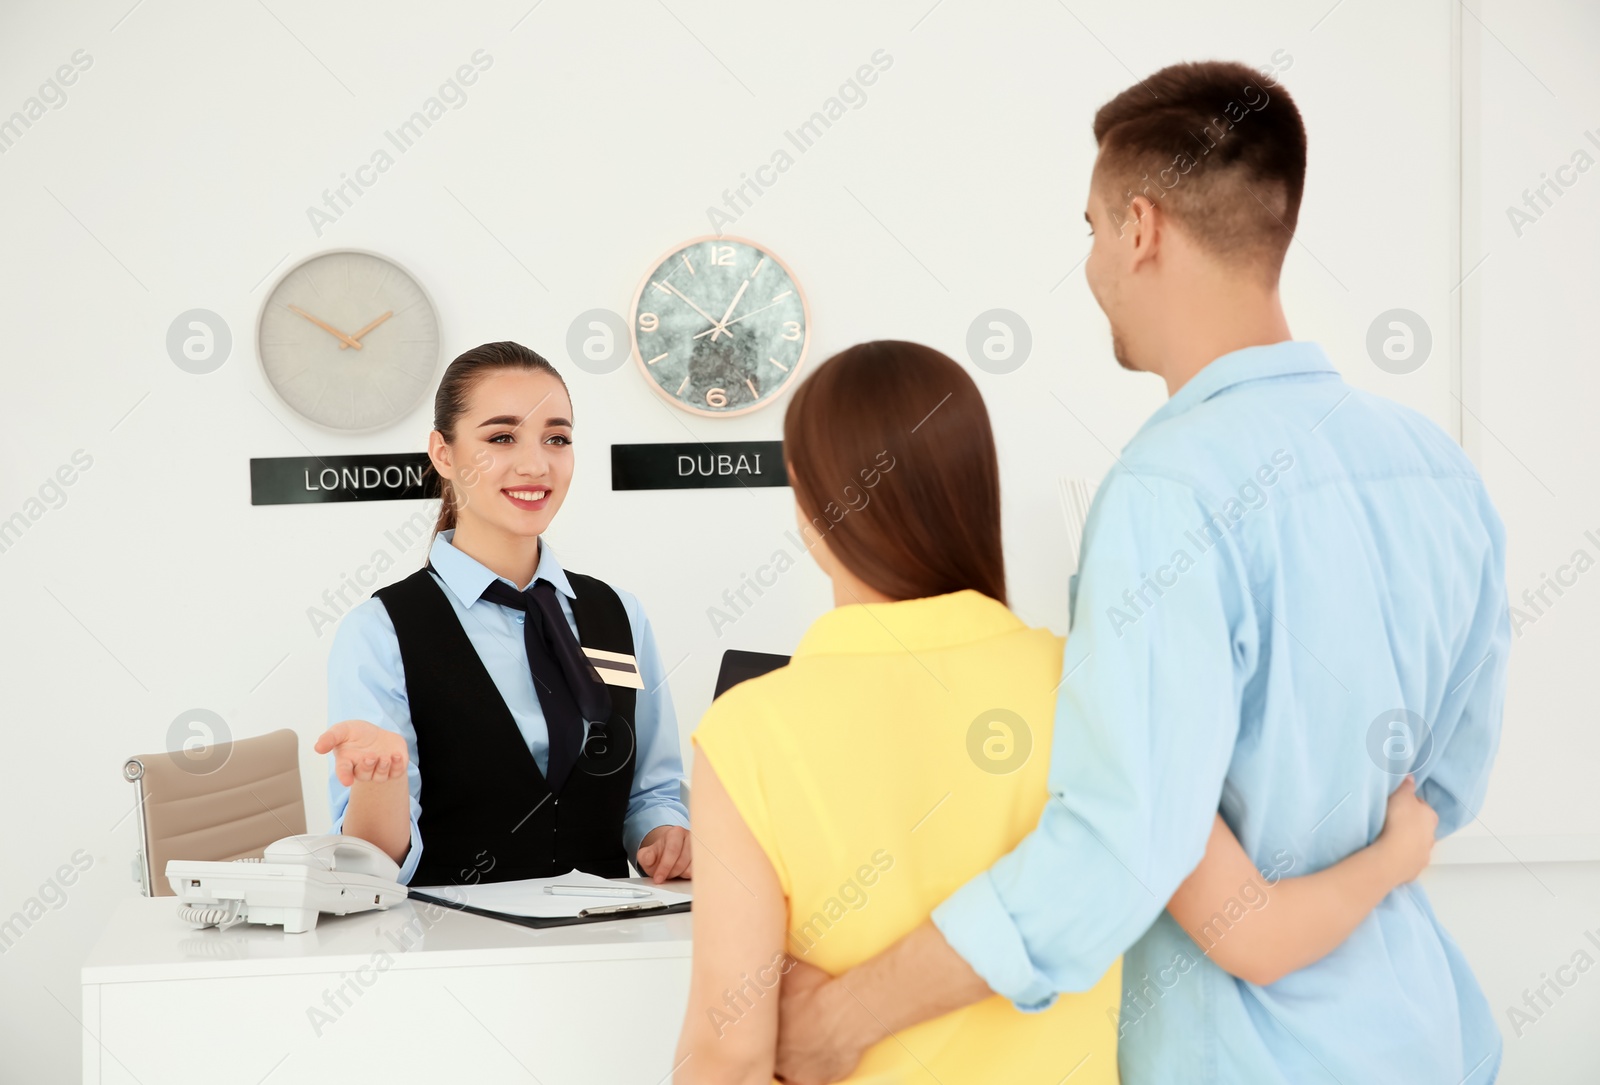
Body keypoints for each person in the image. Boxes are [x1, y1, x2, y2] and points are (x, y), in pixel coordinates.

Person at [774, 63, 1509, 1085]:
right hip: (1429, 1036)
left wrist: (841, 1017)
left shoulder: (1166, 488)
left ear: (1140, 227)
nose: (1088, 263)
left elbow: (1118, 846)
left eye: (1087, 227)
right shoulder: (1437, 467)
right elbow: (1437, 794)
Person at [672, 342, 1449, 1085]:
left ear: (808, 509)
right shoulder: (1089, 683)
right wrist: (1394, 854)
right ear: (976, 492)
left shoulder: (747, 732)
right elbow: (1253, 934)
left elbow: (728, 1057)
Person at [315, 341, 692, 887]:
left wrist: (663, 837)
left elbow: (651, 792)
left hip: (609, 940)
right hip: (452, 951)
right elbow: (371, 866)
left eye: (556, 439)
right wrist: (382, 780)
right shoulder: (381, 632)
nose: (536, 464)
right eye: (501, 438)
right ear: (443, 454)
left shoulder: (618, 614)